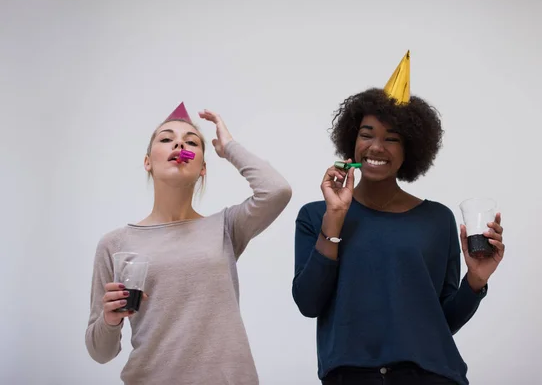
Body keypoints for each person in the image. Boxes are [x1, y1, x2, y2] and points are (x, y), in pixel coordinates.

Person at [292, 52, 505, 385]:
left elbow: (442, 323)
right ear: (352, 141)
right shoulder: (315, 215)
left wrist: (475, 281)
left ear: (410, 150)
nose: (377, 147)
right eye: (367, 134)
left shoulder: (437, 219)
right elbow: (308, 302)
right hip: (350, 377)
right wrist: (335, 217)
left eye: (392, 138)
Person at [85, 102, 292, 385]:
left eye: (191, 142)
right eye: (167, 139)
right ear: (148, 161)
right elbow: (100, 353)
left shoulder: (226, 228)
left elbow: (277, 191)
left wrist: (228, 146)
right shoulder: (115, 243)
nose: (179, 143)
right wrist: (110, 319)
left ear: (202, 168)